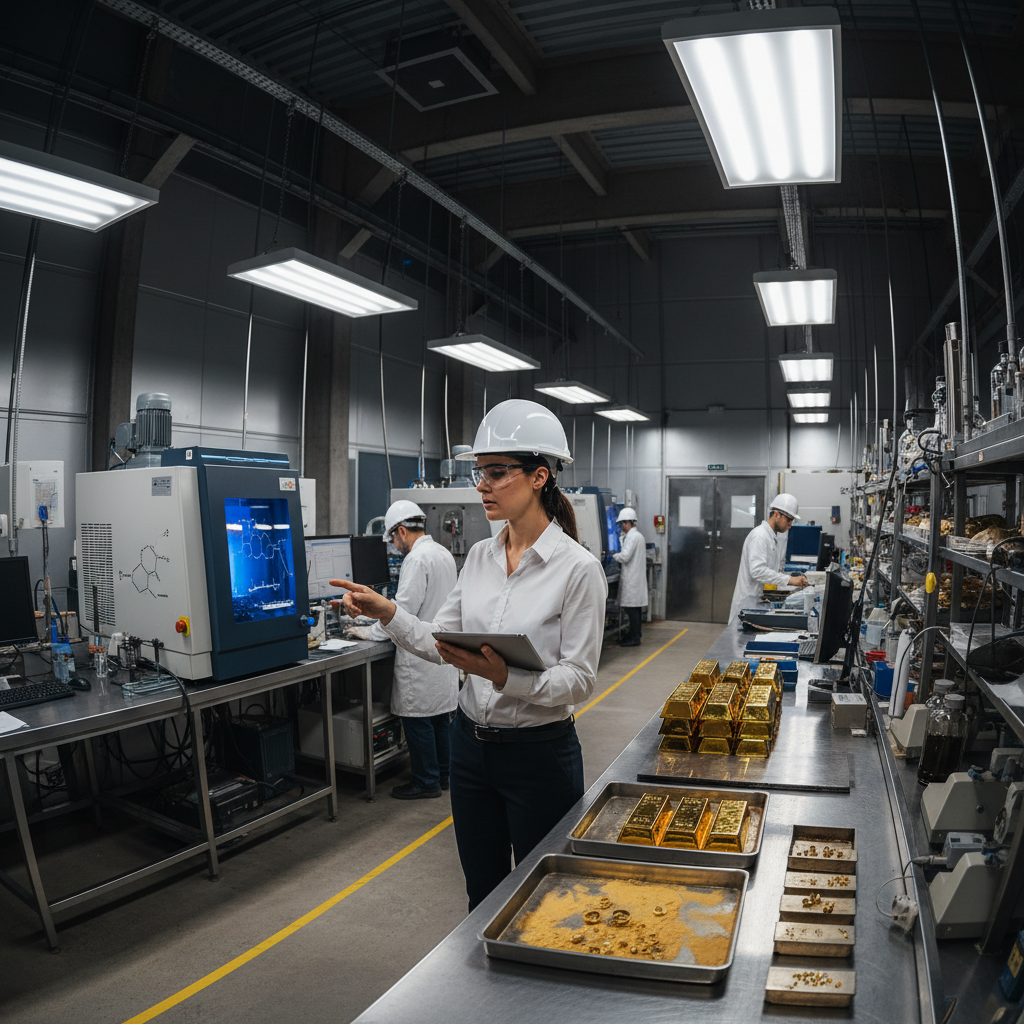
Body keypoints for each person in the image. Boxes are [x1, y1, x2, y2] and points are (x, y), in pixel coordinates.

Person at [331, 400, 607, 910]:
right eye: (480, 472)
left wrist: (508, 678)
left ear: (540, 476)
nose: (482, 485)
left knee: (542, 900)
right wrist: (387, 611)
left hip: (537, 754)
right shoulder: (479, 557)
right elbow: (440, 640)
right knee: (481, 891)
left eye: (497, 473)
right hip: (470, 750)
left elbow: (580, 680)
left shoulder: (577, 569)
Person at [371, 499, 458, 800]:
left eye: (394, 539)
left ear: (402, 532)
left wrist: (366, 630)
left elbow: (399, 612)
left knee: (418, 719)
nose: (395, 546)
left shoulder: (416, 560)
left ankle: (426, 782)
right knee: (439, 719)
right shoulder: (443, 553)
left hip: (420, 654)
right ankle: (444, 775)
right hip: (442, 652)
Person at [728, 492, 809, 622]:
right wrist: (790, 580)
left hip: (756, 601)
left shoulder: (771, 537)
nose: (790, 525)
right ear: (776, 514)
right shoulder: (759, 536)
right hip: (747, 604)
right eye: (788, 520)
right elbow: (757, 571)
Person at [612, 507, 647, 647]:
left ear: (628, 523)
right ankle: (634, 634)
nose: (622, 526)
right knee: (634, 610)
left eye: (623, 523)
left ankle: (634, 637)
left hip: (632, 580)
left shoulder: (633, 537)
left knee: (632, 611)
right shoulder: (636, 536)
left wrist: (612, 556)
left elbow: (625, 556)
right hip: (634, 579)